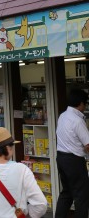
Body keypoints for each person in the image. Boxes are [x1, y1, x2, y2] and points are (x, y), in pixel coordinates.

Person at [55, 88, 89, 218]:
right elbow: (87, 144)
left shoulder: (62, 116)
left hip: (61, 158)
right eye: (85, 104)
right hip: (74, 161)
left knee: (67, 193)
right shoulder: (77, 120)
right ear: (81, 103)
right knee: (81, 196)